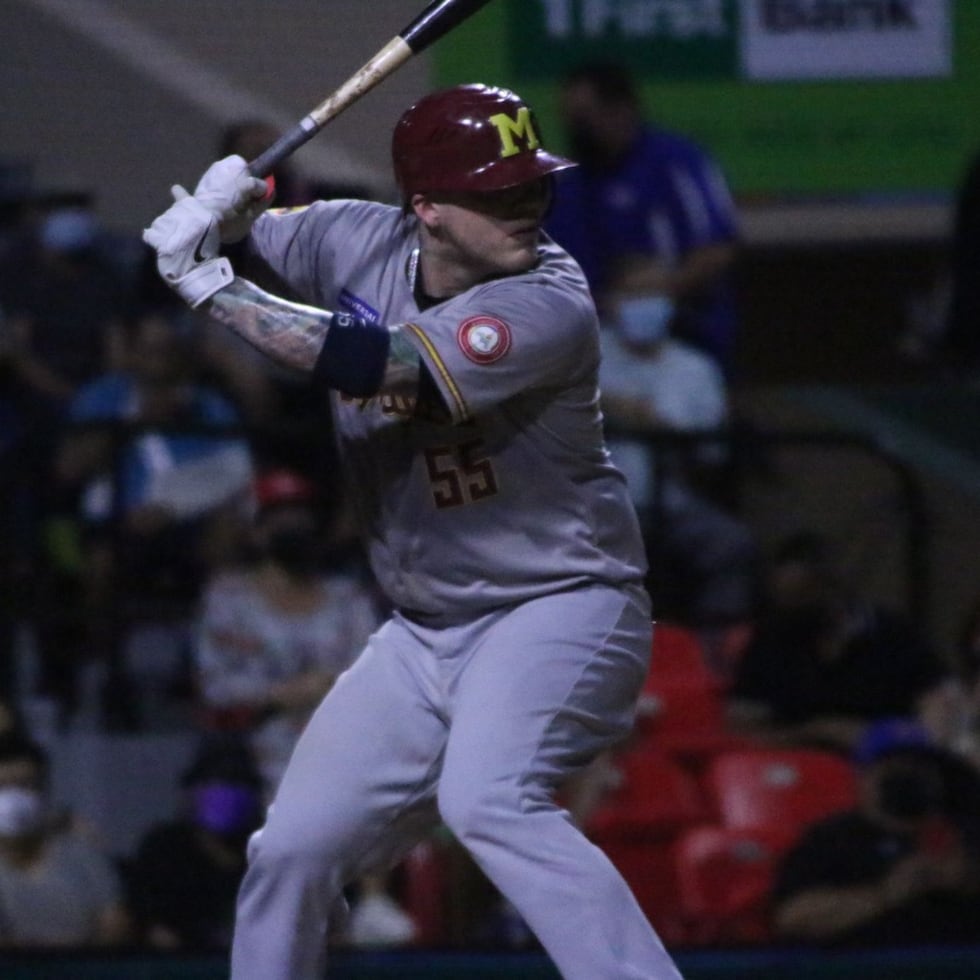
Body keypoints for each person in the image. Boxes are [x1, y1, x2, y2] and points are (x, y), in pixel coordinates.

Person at [142, 83, 685, 980]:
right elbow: (252, 225)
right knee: (291, 851)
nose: (527, 204)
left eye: (531, 183)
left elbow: (379, 364)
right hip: (424, 629)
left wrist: (210, 283)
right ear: (425, 207)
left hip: (559, 603)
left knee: (489, 802)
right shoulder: (355, 236)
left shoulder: (550, 299)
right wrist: (233, 208)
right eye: (496, 189)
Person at [194, 467, 383, 796]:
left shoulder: (348, 596)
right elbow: (215, 685)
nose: (294, 525)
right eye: (279, 517)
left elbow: (374, 673)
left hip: (341, 744)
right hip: (252, 752)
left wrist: (324, 688)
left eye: (301, 515)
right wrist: (283, 693)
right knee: (220, 803)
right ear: (256, 530)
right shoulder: (228, 597)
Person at [545, 61, 740, 376]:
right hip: (596, 345)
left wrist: (654, 293)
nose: (575, 129)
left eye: (584, 118)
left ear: (622, 110)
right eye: (569, 118)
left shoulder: (676, 161)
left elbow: (717, 247)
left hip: (685, 335)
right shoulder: (567, 183)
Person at [598, 295, 758, 626]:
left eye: (653, 294)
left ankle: (713, 656)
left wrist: (662, 430)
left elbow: (712, 457)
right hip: (594, 508)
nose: (643, 305)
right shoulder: (579, 354)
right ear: (611, 301)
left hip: (675, 504)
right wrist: (607, 405)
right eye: (634, 292)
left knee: (732, 545)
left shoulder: (695, 367)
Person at [726, 530, 944, 753]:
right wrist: (816, 732)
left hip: (885, 761)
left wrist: (879, 738)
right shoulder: (769, 641)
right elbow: (742, 728)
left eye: (801, 598)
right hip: (796, 765)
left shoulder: (891, 634)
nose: (789, 611)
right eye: (782, 601)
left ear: (832, 588)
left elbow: (937, 703)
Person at [771, 718, 980, 946]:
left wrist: (966, 881)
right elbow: (795, 919)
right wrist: (886, 893)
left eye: (920, 767)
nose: (909, 776)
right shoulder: (831, 840)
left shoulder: (960, 832)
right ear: (863, 776)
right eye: (895, 766)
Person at [126, 733, 264, 951]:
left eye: (234, 785)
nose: (223, 798)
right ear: (191, 791)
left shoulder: (266, 852)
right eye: (212, 784)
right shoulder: (163, 848)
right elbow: (149, 924)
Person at [0, 729, 131, 946]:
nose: (13, 798)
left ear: (43, 790)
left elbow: (115, 925)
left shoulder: (81, 850)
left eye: (24, 785)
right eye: (2, 787)